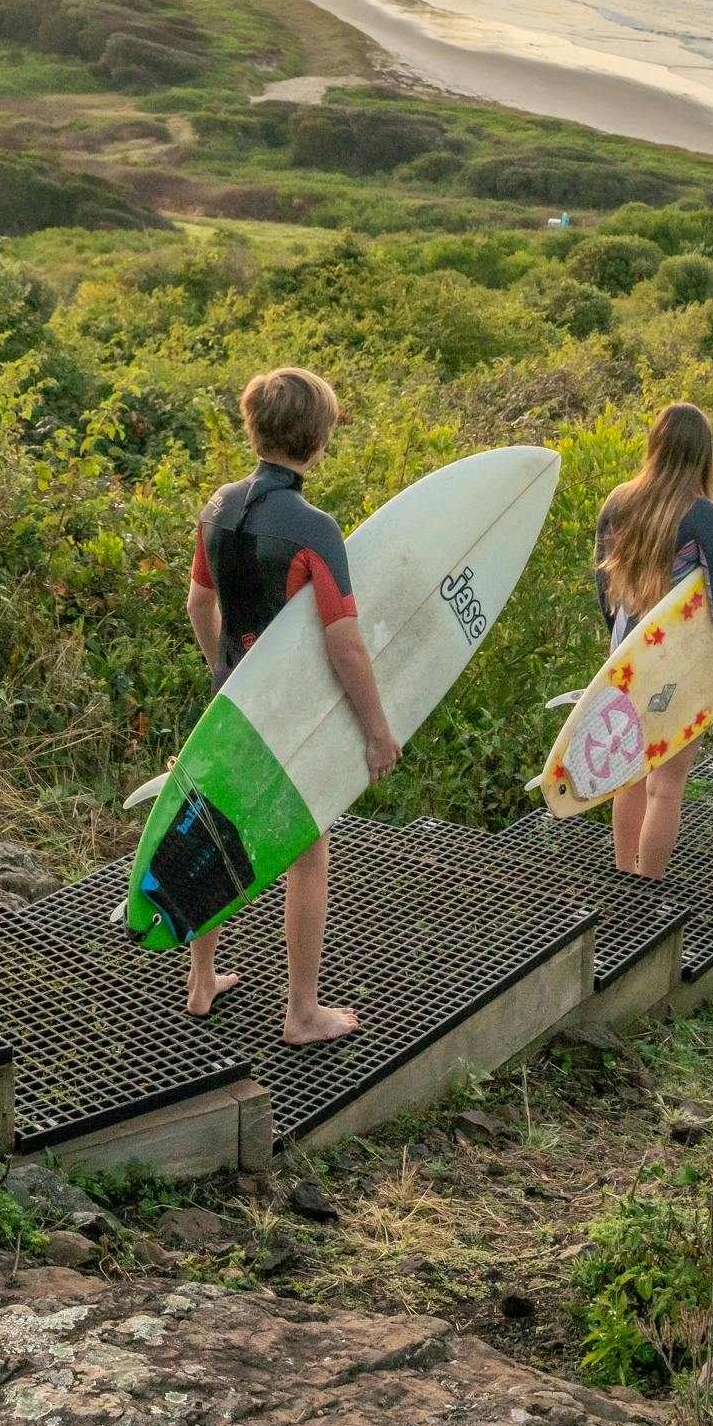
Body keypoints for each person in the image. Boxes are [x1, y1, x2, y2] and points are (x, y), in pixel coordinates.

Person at [183, 366, 395, 1046]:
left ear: (255, 426)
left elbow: (199, 600)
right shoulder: (313, 528)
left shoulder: (216, 506)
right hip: (287, 718)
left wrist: (225, 670)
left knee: (214, 836)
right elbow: (346, 645)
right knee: (308, 852)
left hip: (229, 703)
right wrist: (377, 731)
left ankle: (200, 980)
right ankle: (302, 1011)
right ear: (318, 439)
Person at [593, 401, 713, 881]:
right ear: (702, 455)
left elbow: (603, 589)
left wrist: (616, 648)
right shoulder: (702, 515)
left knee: (631, 777)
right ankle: (649, 885)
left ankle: (624, 879)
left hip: (628, 659)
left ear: (655, 444)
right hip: (681, 665)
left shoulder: (617, 502)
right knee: (668, 784)